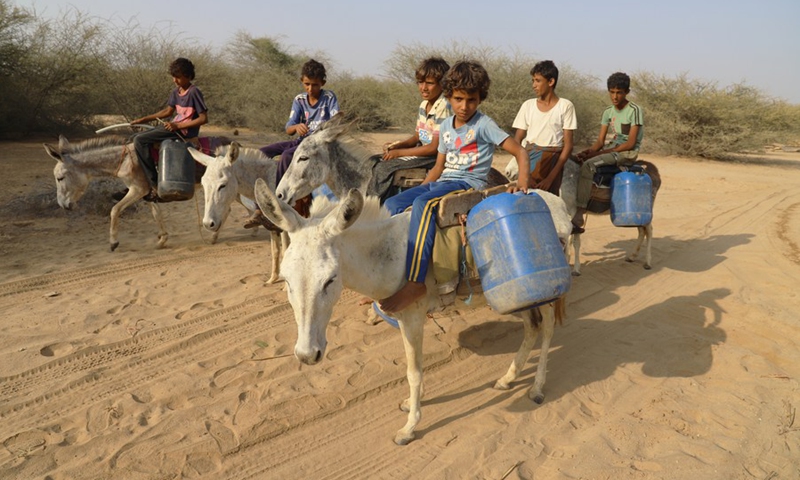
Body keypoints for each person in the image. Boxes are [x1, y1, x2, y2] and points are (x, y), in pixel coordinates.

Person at [379, 61, 531, 313]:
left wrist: (522, 183)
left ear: (480, 99)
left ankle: (416, 282)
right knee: (392, 204)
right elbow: (438, 166)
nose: (464, 106)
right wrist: (424, 187)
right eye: (458, 99)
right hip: (443, 180)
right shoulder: (447, 125)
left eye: (471, 100)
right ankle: (389, 277)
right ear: (448, 96)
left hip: (467, 183)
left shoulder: (484, 125)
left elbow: (520, 152)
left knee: (423, 206)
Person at [245, 59, 339, 228]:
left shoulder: (329, 98)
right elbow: (289, 128)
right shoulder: (300, 100)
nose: (311, 89)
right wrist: (297, 126)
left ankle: (280, 205)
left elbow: (335, 123)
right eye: (307, 84)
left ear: (322, 83)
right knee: (262, 153)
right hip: (300, 141)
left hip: (316, 145)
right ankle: (260, 207)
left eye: (315, 85)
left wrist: (319, 132)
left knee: (288, 155)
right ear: (302, 82)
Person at [571, 72, 643, 233]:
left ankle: (580, 212)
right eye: (612, 92)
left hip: (626, 153)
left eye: (619, 92)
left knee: (589, 166)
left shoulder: (635, 110)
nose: (615, 96)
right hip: (611, 149)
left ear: (627, 92)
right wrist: (587, 152)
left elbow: (630, 143)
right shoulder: (608, 112)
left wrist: (596, 155)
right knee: (576, 161)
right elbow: (599, 142)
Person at [130, 57, 208, 201]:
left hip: (183, 131)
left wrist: (178, 125)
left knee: (139, 140)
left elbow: (203, 118)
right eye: (173, 77)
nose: (175, 80)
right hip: (173, 127)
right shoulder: (176, 92)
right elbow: (167, 112)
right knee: (135, 137)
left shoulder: (194, 92)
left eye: (178, 77)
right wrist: (144, 119)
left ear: (188, 76)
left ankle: (153, 184)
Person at [511, 60, 576, 196]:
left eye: (538, 81)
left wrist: (550, 178)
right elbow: (517, 141)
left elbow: (568, 146)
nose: (534, 85)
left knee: (551, 202)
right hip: (530, 157)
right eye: (533, 81)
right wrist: (526, 174)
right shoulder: (528, 106)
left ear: (551, 82)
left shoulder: (565, 106)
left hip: (553, 160)